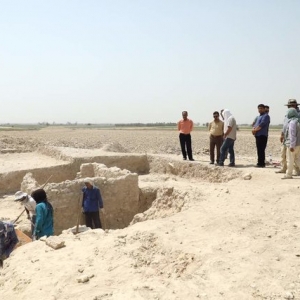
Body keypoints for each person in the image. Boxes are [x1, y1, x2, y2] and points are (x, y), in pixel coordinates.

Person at [276, 99, 300, 174]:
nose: (291, 107)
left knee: (294, 156)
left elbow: (294, 131)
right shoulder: (287, 115)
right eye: (289, 105)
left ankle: (296, 170)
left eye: (292, 105)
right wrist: (282, 134)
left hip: (294, 139)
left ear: (296, 105)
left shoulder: (297, 115)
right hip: (286, 138)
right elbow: (285, 126)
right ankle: (284, 168)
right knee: (283, 154)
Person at [281, 108, 300, 179]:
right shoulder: (298, 121)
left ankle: (288, 174)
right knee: (297, 159)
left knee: (290, 159)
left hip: (292, 145)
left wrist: (292, 145)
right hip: (299, 144)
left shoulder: (292, 122)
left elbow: (292, 135)